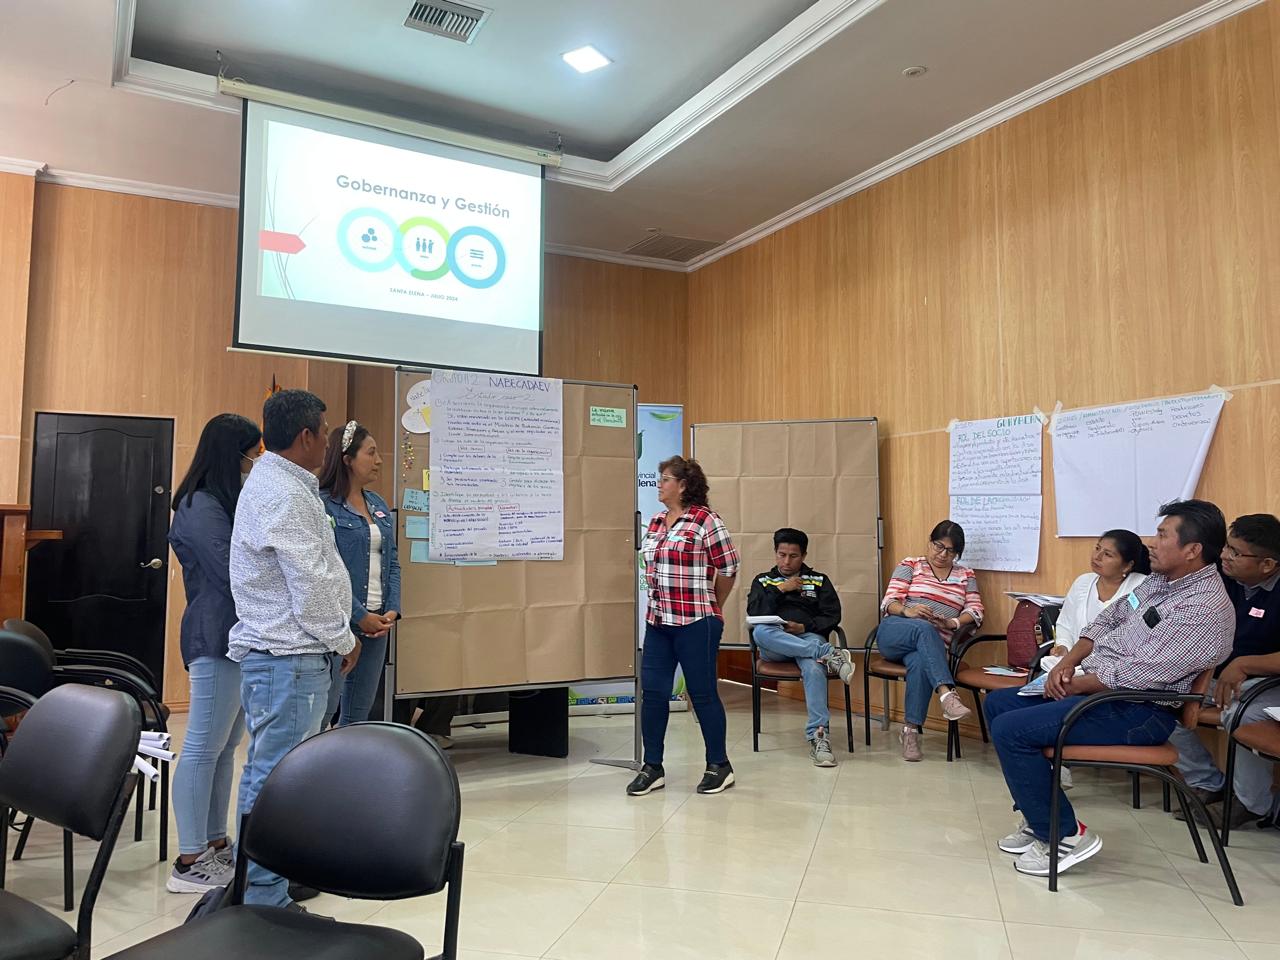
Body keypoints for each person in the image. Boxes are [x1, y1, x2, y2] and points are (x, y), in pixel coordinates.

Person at [984, 499, 1234, 878]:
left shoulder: (1204, 608)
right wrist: (1068, 662)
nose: (1152, 543)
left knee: (1010, 729)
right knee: (999, 704)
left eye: (1163, 535)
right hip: (1101, 690)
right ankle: (1040, 819)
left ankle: (1064, 835)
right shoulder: (1160, 583)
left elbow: (1143, 673)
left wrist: (1075, 684)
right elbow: (1110, 617)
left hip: (1139, 709)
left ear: (1192, 550)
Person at [229, 389, 359, 909]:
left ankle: (259, 878)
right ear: (306, 436)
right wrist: (344, 637)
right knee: (277, 776)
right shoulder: (283, 492)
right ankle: (264, 894)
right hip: (290, 658)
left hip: (284, 657)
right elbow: (311, 582)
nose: (328, 443)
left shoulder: (278, 483)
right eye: (325, 433)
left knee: (268, 770)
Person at [165, 414, 261, 893]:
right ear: (230, 454)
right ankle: (189, 861)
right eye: (252, 454)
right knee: (203, 747)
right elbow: (231, 570)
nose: (255, 463)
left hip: (237, 635)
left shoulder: (223, 500)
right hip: (214, 634)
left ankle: (215, 843)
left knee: (225, 748)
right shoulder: (199, 504)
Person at [628, 456, 740, 797]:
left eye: (665, 479)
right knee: (653, 693)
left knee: (702, 693)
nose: (659, 484)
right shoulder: (656, 521)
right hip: (659, 623)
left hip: (696, 622)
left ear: (683, 485)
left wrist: (714, 605)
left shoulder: (705, 520)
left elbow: (729, 567)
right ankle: (653, 767)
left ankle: (719, 765)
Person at [1170, 513, 1280, 829]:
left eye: (1235, 552)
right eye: (1227, 547)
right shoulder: (1219, 577)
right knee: (1158, 695)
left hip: (1268, 682)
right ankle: (1207, 781)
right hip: (1217, 675)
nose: (1224, 556)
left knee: (1240, 712)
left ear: (1268, 565)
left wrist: (1245, 664)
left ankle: (1250, 803)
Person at [747, 527, 854, 767]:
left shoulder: (819, 580)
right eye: (782, 555)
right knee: (761, 631)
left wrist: (805, 627)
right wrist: (780, 589)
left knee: (814, 667)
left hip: (808, 637)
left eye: (793, 556)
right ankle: (828, 654)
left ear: (804, 555)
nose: (786, 561)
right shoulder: (763, 580)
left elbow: (832, 615)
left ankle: (819, 736)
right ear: (775, 553)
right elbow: (755, 613)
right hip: (775, 644)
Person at [877, 521, 983, 761]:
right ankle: (947, 694)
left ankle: (910, 731)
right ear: (930, 542)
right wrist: (908, 611)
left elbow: (976, 610)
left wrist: (952, 623)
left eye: (951, 551)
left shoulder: (965, 575)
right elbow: (889, 602)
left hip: (928, 647)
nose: (943, 554)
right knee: (924, 628)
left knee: (919, 662)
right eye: (938, 546)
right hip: (896, 632)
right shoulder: (911, 565)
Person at [318, 421, 401, 726]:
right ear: (347, 460)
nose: (378, 461)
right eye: (371, 453)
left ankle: (348, 759)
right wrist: (358, 614)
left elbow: (393, 561)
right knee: (324, 711)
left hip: (378, 623)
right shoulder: (323, 505)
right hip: (340, 623)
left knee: (358, 714)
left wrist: (392, 609)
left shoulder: (377, 503)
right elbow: (325, 570)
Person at [1050, 529, 1151, 655]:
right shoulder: (1083, 582)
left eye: (1108, 554)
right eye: (1097, 548)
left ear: (1127, 566)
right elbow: (1065, 625)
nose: (1097, 557)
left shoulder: (1142, 587)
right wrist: (1063, 646)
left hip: (1118, 663)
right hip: (1074, 661)